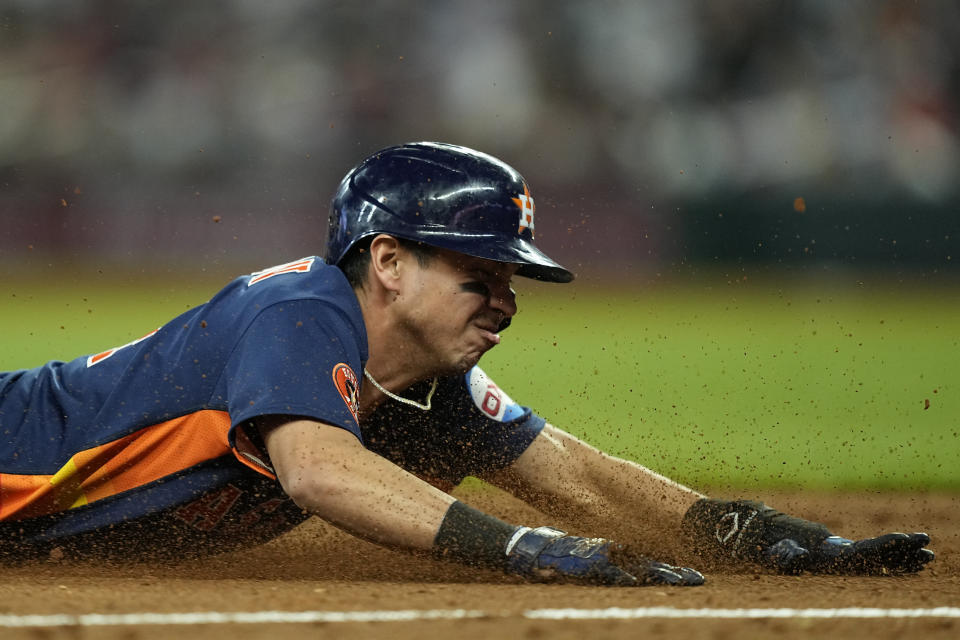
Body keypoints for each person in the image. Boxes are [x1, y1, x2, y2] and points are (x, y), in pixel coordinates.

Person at [0, 142, 933, 585]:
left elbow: (574, 478)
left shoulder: (421, 383)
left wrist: (762, 535)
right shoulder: (296, 311)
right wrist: (524, 551)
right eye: (477, 271)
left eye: (510, 277)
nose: (505, 299)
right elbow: (319, 472)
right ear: (390, 263)